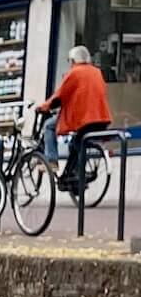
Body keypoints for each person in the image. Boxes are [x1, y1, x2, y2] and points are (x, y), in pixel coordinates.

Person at [37, 46, 112, 193]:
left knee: (48, 126)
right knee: (77, 144)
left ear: (73, 60)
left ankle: (52, 161)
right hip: (101, 118)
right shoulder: (97, 72)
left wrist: (44, 106)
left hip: (84, 118)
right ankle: (73, 174)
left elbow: (59, 95)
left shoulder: (74, 72)